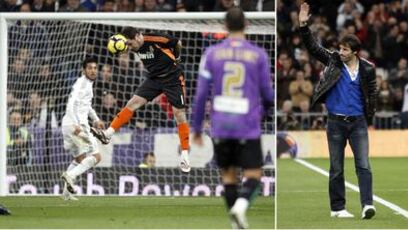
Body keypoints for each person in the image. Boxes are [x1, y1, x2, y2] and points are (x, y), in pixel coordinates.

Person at [191, 7, 274, 229]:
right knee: (254, 174)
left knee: (228, 177)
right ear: (247, 25)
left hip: (221, 126)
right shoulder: (258, 55)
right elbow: (268, 94)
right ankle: (241, 207)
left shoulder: (211, 54)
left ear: (225, 27)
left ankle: (236, 222)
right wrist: (262, 114)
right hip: (247, 124)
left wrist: (196, 128)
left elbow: (200, 95)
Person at [299, 2, 377, 219]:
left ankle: (367, 205)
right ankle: (337, 208)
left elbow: (372, 93)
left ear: (354, 52)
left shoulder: (368, 68)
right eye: (340, 48)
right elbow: (313, 47)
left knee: (363, 165)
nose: (340, 52)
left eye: (344, 49)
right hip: (335, 122)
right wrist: (303, 25)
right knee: (336, 167)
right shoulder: (333, 60)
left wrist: (369, 117)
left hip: (358, 122)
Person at [91, 27, 191, 173]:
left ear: (138, 37)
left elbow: (178, 43)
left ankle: (185, 155)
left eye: (130, 44)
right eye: (128, 45)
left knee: (179, 114)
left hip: (172, 78)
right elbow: (122, 48)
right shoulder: (132, 46)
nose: (129, 48)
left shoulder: (156, 39)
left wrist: (177, 58)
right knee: (132, 103)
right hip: (154, 78)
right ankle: (108, 134)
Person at [61, 57, 105, 201]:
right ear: (84, 70)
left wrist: (96, 119)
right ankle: (70, 176)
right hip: (77, 125)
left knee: (79, 159)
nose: (93, 70)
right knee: (96, 157)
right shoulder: (82, 84)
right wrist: (77, 125)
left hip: (67, 125)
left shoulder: (86, 84)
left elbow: (86, 105)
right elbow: (72, 104)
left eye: (95, 68)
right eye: (90, 68)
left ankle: (66, 195)